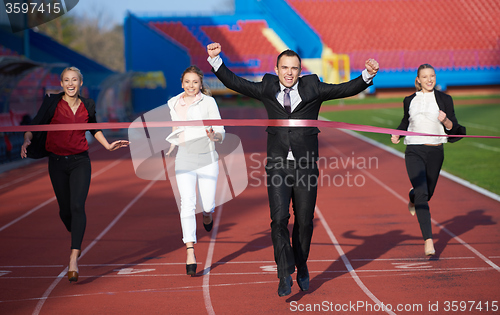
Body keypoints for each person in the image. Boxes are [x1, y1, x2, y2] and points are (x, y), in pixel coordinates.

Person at [207, 42, 379, 296]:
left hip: (306, 165)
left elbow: (344, 89)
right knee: (278, 220)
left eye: (294, 68)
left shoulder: (313, 86)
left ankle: (302, 264)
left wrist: (367, 76)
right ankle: (284, 271)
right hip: (277, 164)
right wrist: (216, 60)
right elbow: (236, 83)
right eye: (284, 67)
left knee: (305, 221)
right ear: (276, 69)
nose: (289, 72)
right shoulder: (266, 87)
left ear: (300, 70)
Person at [20, 67, 129, 283]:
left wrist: (107, 145)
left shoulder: (88, 104)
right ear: (61, 84)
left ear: (81, 83)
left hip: (81, 161)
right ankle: (77, 233)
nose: (71, 83)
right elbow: (34, 124)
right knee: (65, 211)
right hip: (57, 163)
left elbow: (93, 127)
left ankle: (73, 257)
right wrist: (27, 139)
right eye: (67, 80)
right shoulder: (52, 102)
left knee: (78, 206)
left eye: (75, 80)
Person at [391, 64, 465, 256]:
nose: (429, 79)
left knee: (426, 193)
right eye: (425, 77)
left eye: (432, 76)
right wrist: (397, 134)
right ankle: (428, 241)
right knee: (424, 193)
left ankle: (413, 197)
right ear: (418, 80)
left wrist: (446, 121)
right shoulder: (409, 100)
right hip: (414, 151)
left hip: (436, 152)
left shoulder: (445, 99)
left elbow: (454, 126)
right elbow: (405, 122)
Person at [165, 65, 225, 276]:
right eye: (187, 82)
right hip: (185, 158)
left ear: (201, 84)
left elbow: (220, 130)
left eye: (195, 82)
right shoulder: (173, 103)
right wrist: (173, 144)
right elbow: (176, 126)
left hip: (208, 158)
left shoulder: (209, 102)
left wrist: (214, 136)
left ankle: (207, 215)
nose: (191, 86)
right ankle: (190, 250)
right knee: (187, 203)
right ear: (182, 83)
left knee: (207, 204)